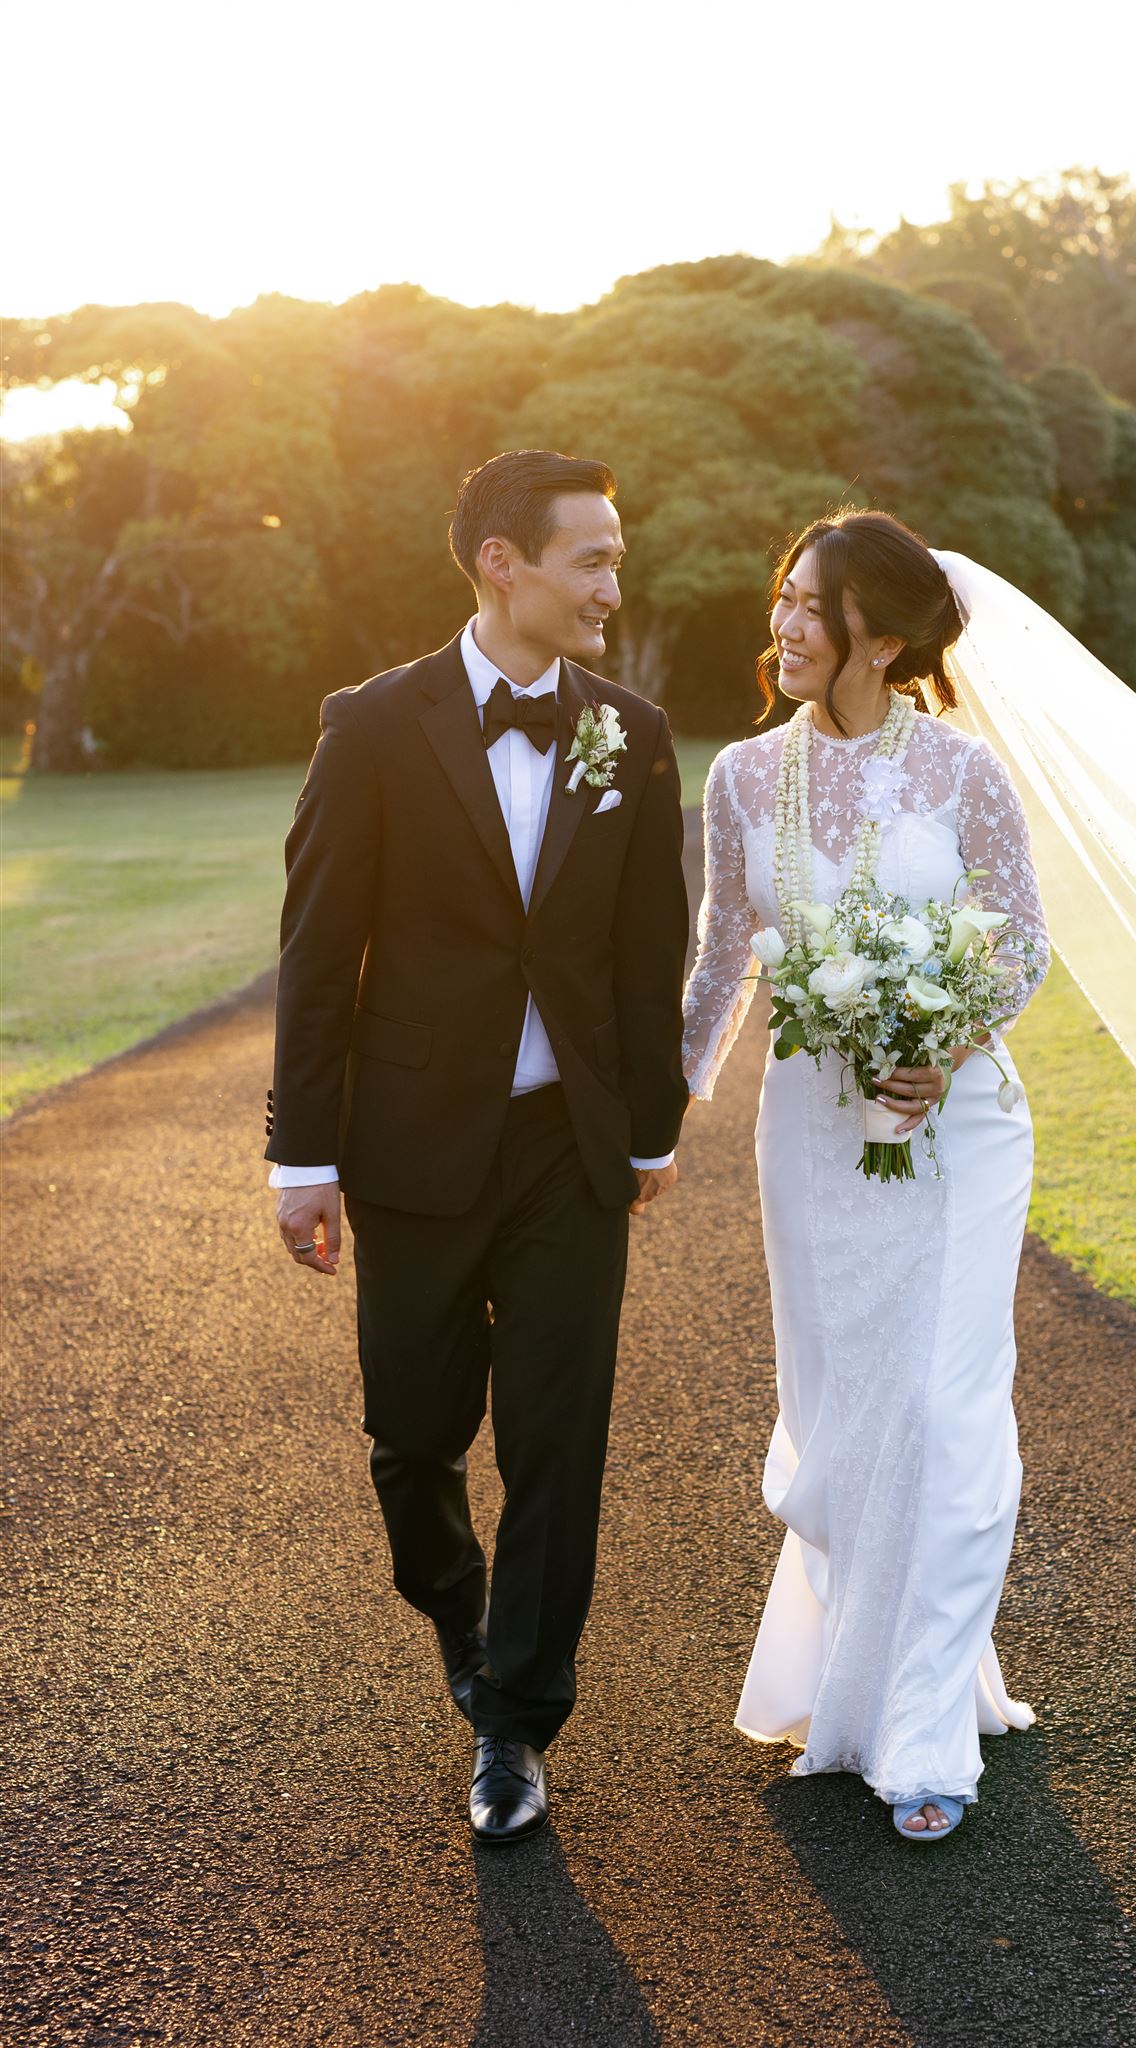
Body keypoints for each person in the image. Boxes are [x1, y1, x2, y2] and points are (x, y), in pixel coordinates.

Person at [265, 449, 690, 1844]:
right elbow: (320, 953)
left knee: (559, 1439)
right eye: (590, 559)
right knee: (411, 1436)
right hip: (411, 1148)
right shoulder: (374, 726)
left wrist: (646, 1131)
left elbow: (648, 950)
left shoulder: (629, 728)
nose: (611, 588)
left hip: (566, 1148)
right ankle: (461, 1621)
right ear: (500, 563)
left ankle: (515, 1720)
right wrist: (300, 1155)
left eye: (616, 561)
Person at [681, 509, 1049, 1840]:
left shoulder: (964, 777)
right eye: (779, 596)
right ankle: (872, 1675)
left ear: (881, 637)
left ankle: (921, 1733)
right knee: (849, 1417)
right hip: (810, 1133)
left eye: (809, 605)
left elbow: (1021, 948)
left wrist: (944, 1047)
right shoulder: (736, 779)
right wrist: (658, 1119)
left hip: (960, 1133)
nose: (780, 625)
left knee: (944, 1414)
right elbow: (724, 955)